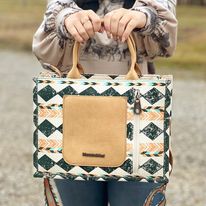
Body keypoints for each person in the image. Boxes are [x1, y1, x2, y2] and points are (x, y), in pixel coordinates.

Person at [33, 0, 177, 205]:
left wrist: (144, 17)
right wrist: (65, 19)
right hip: (76, 125)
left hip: (135, 127)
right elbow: (44, 46)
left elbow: (168, 39)